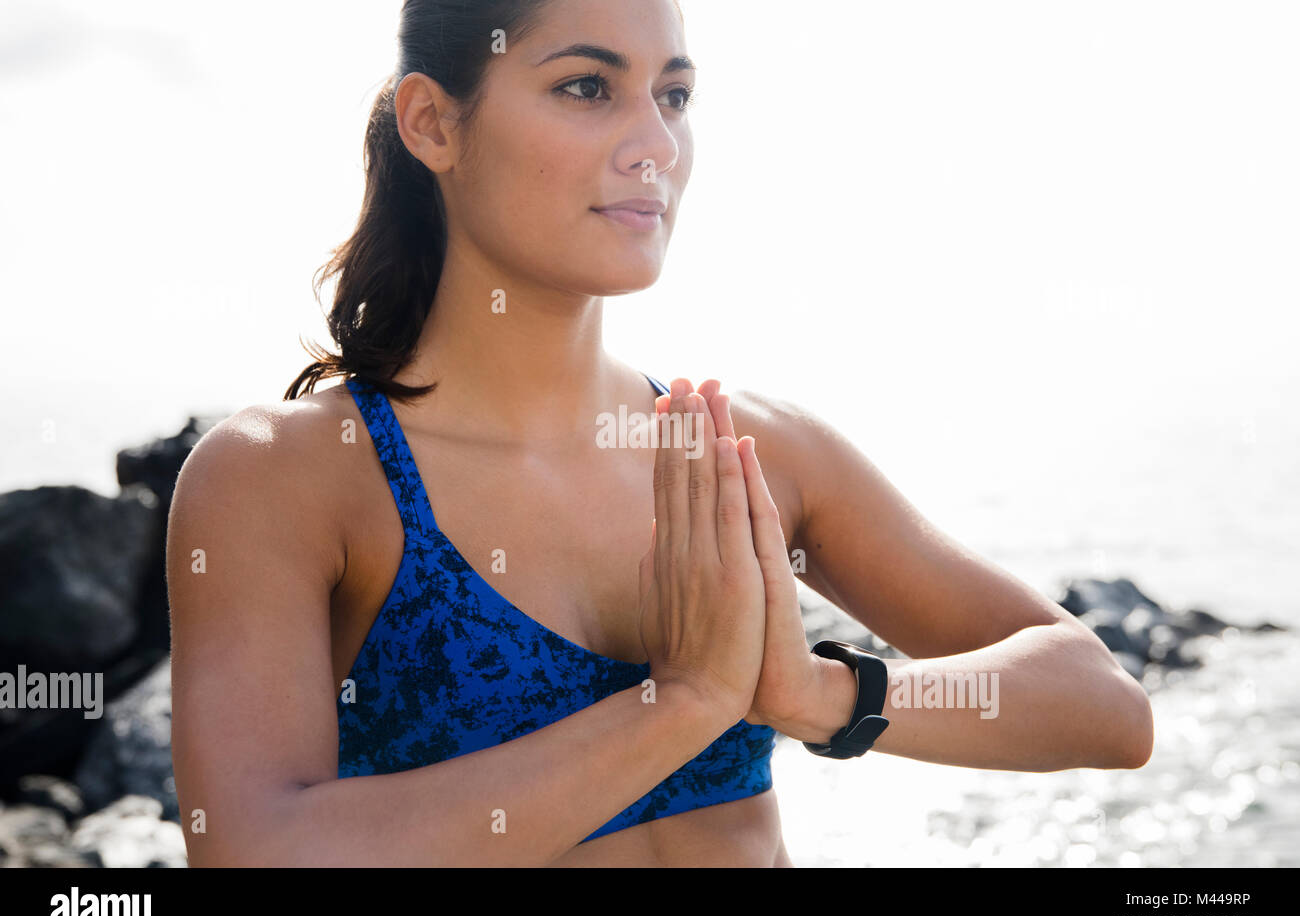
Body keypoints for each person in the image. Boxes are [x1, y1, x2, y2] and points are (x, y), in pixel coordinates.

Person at [167, 0, 1153, 867]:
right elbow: (255, 851)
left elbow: (1103, 704)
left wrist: (817, 694)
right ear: (433, 122)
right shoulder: (290, 479)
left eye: (673, 96)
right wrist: (678, 705)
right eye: (588, 86)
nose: (656, 144)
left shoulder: (744, 450)